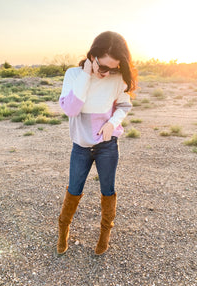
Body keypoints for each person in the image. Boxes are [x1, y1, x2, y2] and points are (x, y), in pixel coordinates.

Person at [57, 31, 137, 255]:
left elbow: (124, 106)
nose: (107, 73)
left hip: (106, 146)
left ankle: (104, 235)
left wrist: (112, 123)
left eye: (114, 68)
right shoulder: (73, 75)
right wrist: (86, 75)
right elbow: (71, 109)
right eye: (103, 67)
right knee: (73, 190)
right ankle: (63, 230)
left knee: (107, 191)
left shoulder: (117, 79)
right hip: (81, 146)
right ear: (93, 56)